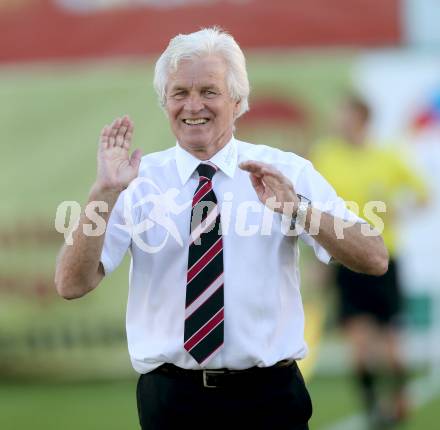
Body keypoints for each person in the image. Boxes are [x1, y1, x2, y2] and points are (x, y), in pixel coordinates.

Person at [55, 29, 388, 430]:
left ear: (238, 101)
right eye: (179, 93)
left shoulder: (286, 171)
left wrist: (297, 209)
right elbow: (71, 283)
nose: (193, 105)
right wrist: (103, 191)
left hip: (269, 398)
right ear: (164, 103)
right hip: (171, 401)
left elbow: (374, 257)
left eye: (209, 91)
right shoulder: (134, 181)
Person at [311, 95, 428, 428]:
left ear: (362, 119)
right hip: (344, 261)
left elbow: (423, 195)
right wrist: (318, 261)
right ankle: (375, 409)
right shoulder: (325, 156)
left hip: (383, 258)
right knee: (359, 345)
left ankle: (401, 397)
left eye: (345, 115)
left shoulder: (387, 156)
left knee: (392, 346)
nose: (338, 122)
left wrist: (398, 213)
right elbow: (316, 210)